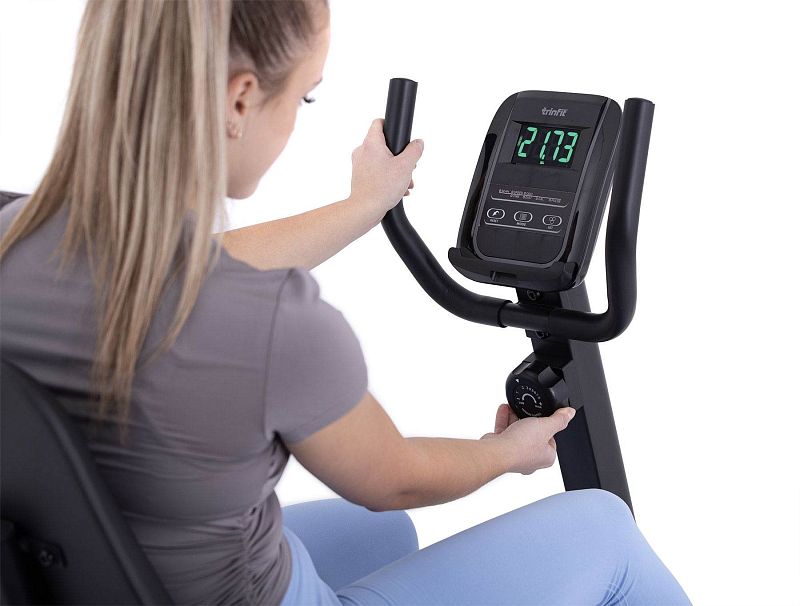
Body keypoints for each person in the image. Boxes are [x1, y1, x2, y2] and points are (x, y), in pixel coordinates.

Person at [0, 1, 691, 605]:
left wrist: (364, 205)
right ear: (240, 101)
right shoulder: (275, 323)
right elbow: (395, 479)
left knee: (381, 536)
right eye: (304, 98)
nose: (298, 120)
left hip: (98, 577)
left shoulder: (17, 235)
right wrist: (504, 452)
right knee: (605, 529)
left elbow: (189, 270)